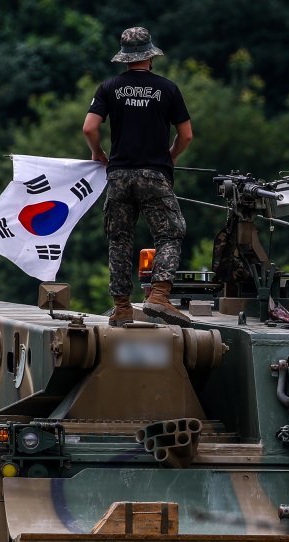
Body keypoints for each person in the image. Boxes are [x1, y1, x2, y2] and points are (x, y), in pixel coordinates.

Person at [83, 26, 193, 328]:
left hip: (118, 176)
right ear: (150, 55)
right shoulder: (167, 89)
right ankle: (158, 295)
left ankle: (121, 307)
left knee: (119, 240)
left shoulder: (109, 87)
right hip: (154, 174)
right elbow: (186, 135)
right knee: (170, 233)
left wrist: (98, 153)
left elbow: (89, 128)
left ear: (125, 58)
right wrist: (169, 156)